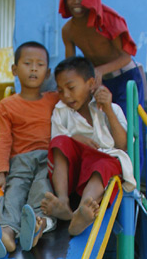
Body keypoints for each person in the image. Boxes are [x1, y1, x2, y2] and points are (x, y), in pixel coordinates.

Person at [0, 41, 60, 258]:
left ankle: (34, 228)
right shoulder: (7, 105)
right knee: (14, 193)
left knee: (42, 188)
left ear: (48, 72)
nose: (33, 69)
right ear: (14, 69)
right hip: (19, 160)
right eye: (27, 63)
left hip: (46, 158)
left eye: (40, 65)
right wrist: (1, 173)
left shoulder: (54, 100)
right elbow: (3, 140)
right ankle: (7, 234)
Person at [41, 56, 135, 237]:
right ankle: (62, 201)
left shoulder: (111, 108)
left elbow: (123, 145)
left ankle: (84, 210)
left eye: (71, 88)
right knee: (60, 141)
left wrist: (107, 109)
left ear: (91, 83)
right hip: (73, 174)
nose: (66, 95)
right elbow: (56, 143)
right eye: (60, 91)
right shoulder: (61, 111)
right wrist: (74, 138)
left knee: (104, 163)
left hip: (101, 169)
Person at [59, 0, 146, 114]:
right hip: (99, 83)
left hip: (126, 77)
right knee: (104, 129)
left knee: (129, 128)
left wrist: (99, 70)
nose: (76, 2)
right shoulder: (67, 30)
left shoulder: (108, 19)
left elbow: (126, 57)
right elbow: (71, 68)